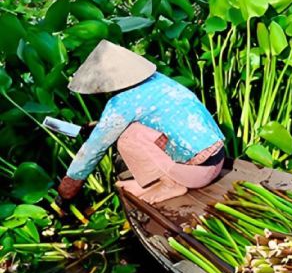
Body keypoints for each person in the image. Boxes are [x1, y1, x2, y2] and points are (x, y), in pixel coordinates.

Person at [56, 40, 225, 205]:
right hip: (217, 159)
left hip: (197, 174)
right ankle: (161, 180)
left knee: (128, 137)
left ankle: (171, 185)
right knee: (132, 129)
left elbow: (93, 148)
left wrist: (68, 188)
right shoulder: (159, 79)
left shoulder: (121, 102)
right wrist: (98, 125)